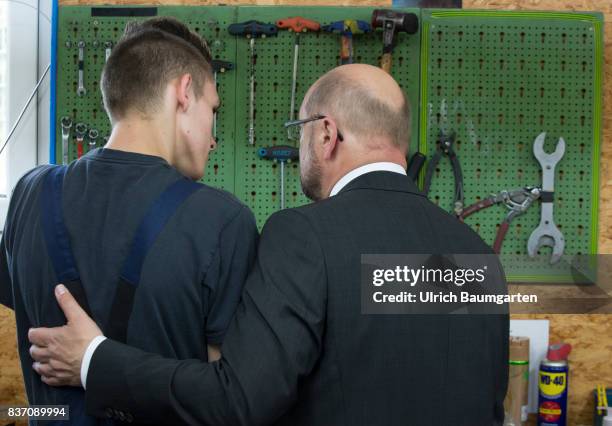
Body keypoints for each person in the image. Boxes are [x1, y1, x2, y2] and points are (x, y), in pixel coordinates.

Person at [28, 64, 509, 425]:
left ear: (326, 134)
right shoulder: (475, 253)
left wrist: (94, 359)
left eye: (299, 132)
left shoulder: (306, 236)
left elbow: (237, 400)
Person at [0, 17, 257, 425]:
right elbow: (224, 403)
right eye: (213, 109)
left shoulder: (28, 194)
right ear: (184, 93)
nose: (212, 137)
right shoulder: (224, 221)